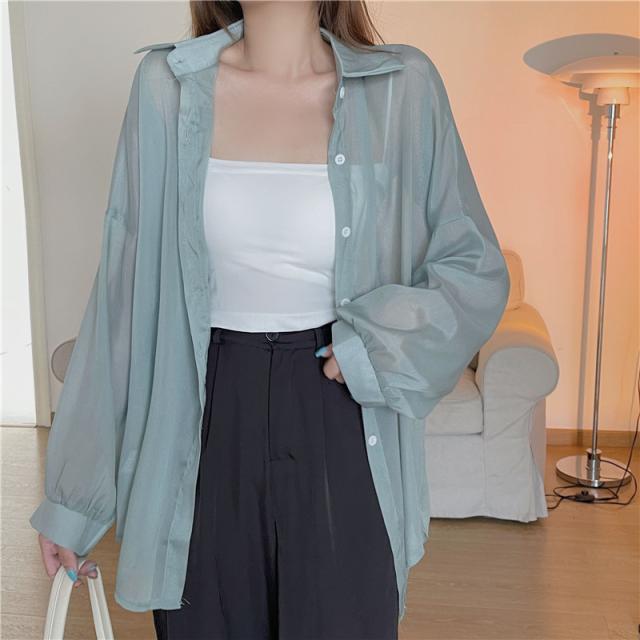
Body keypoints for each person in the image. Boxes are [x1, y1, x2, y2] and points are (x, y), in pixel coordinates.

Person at [30, 1, 511, 639]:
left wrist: (376, 347)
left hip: (341, 409)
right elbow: (124, 296)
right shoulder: (167, 87)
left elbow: (473, 268)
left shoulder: (402, 89)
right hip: (203, 415)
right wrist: (74, 499)